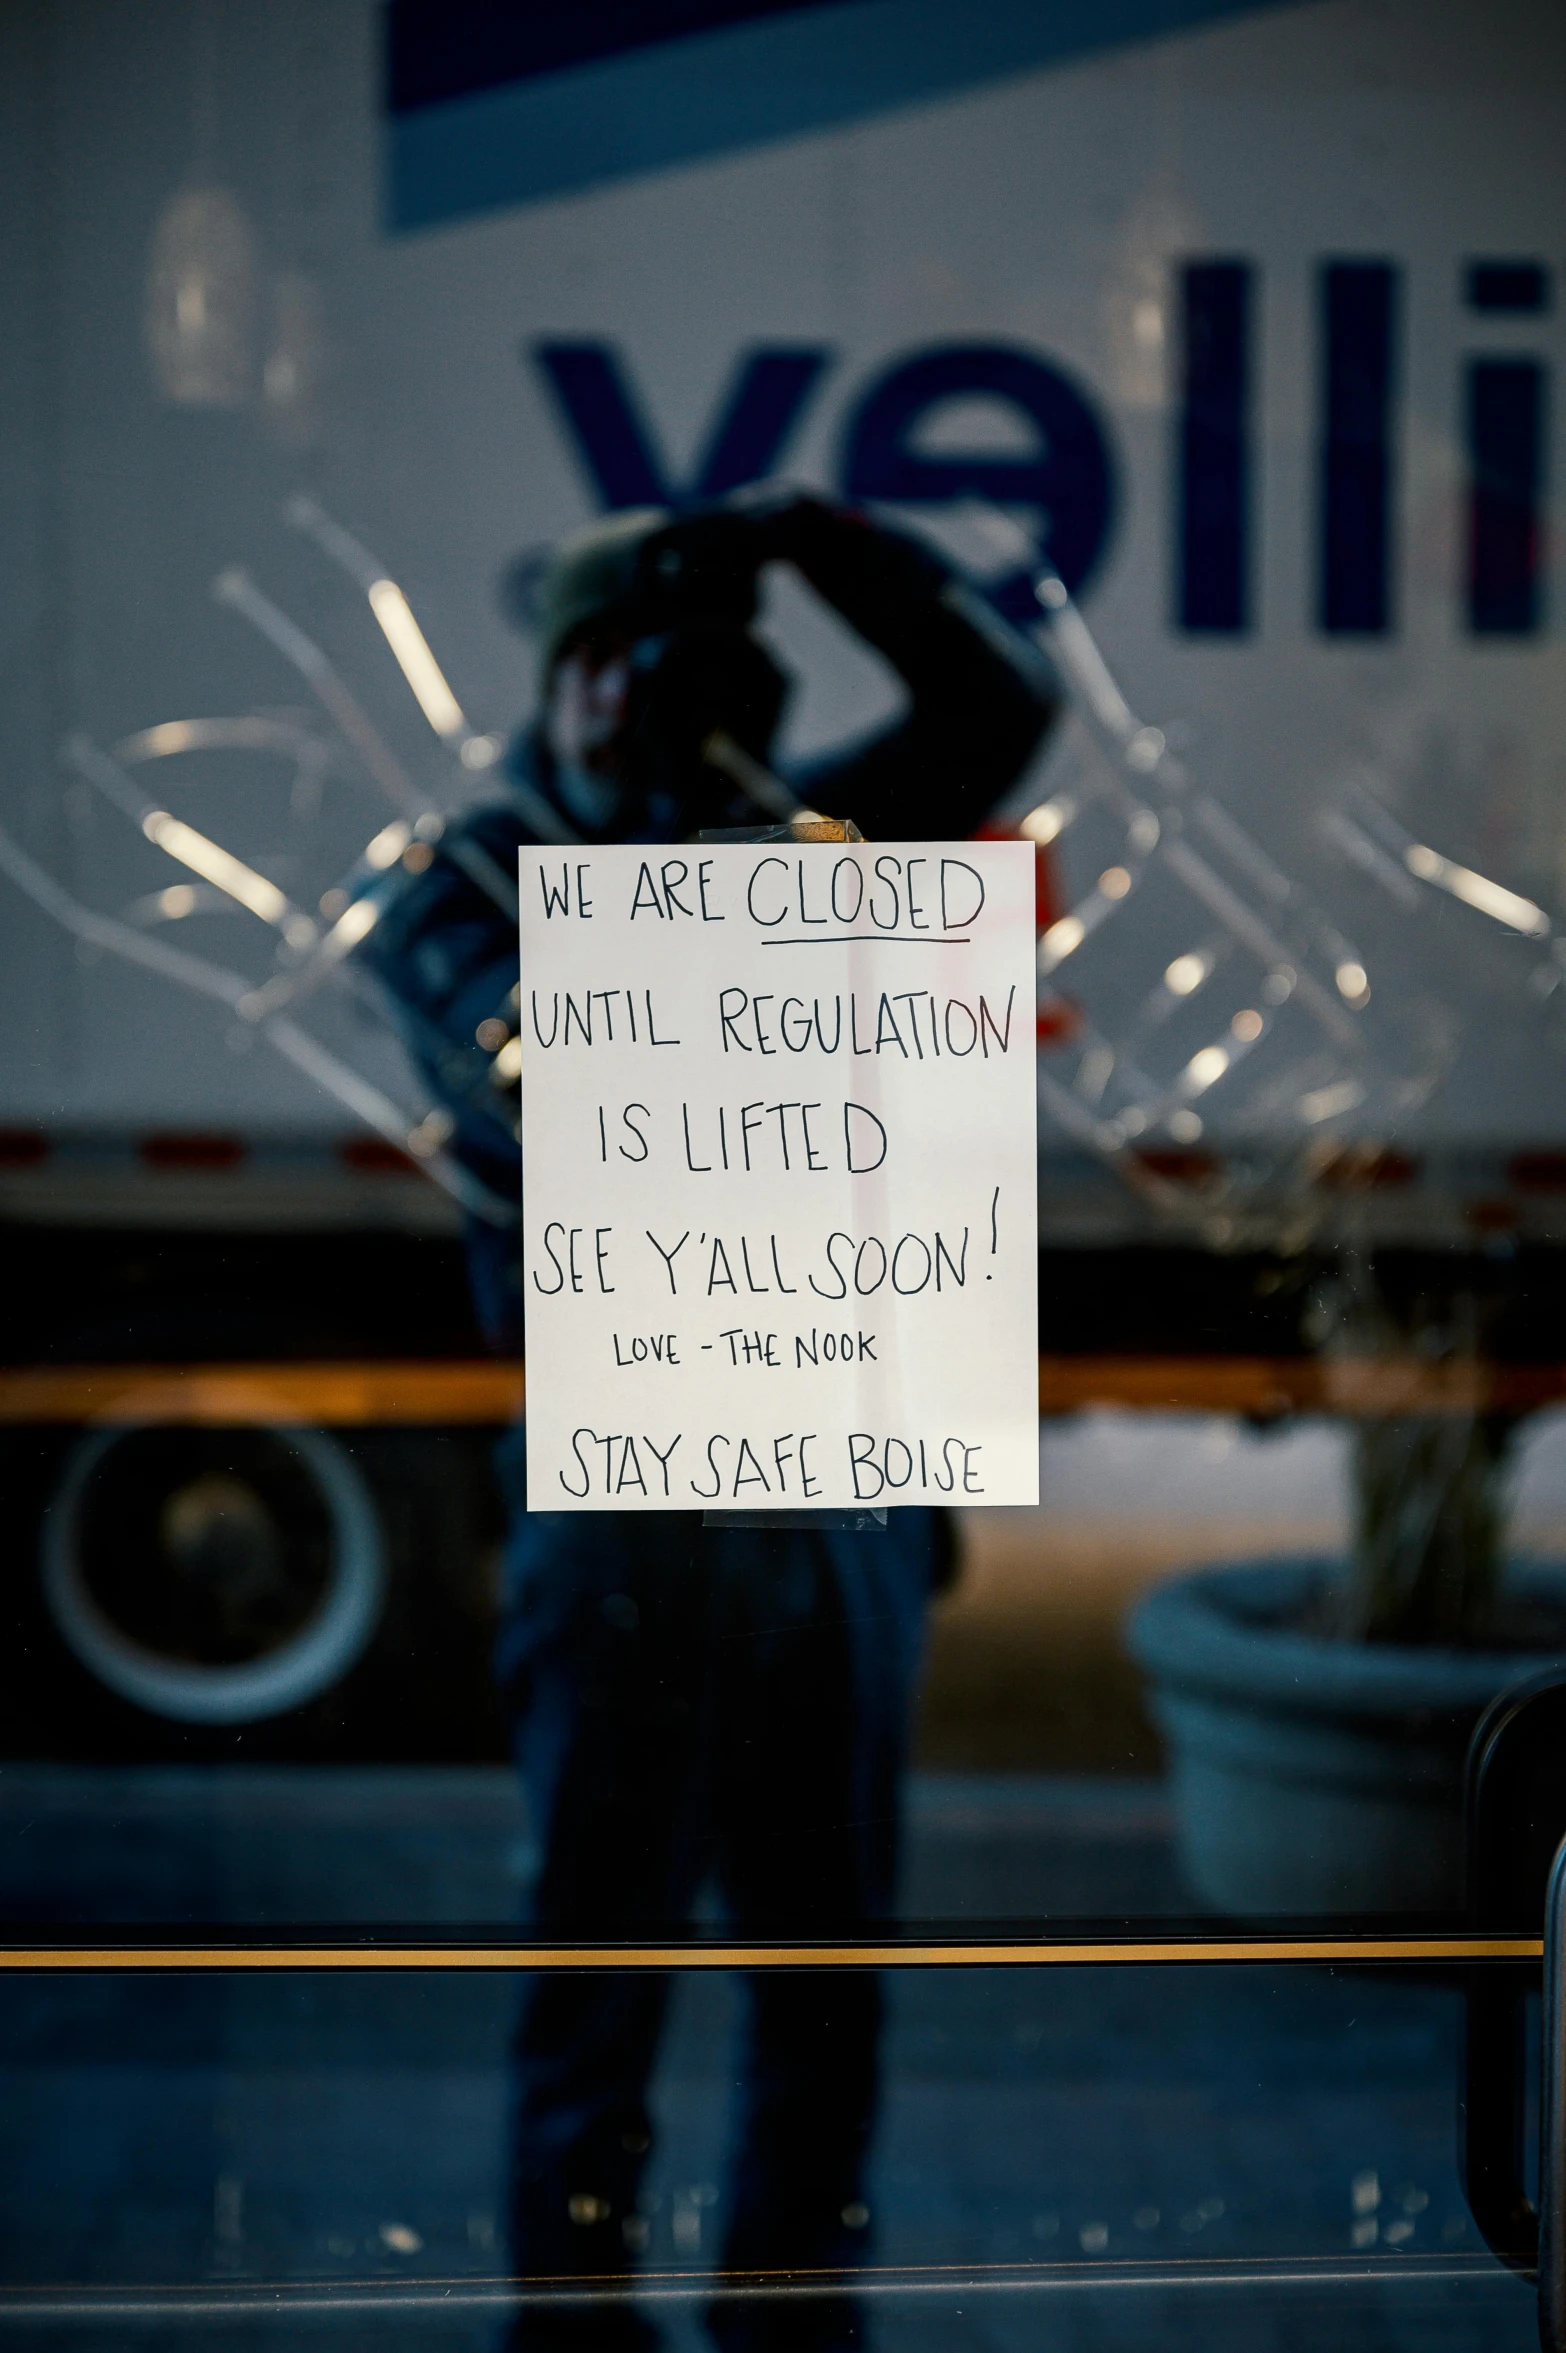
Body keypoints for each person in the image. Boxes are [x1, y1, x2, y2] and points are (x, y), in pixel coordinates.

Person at [361, 491, 1058, 2350]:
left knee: (827, 1993)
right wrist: (714, 840)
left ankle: (788, 2324)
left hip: (839, 1514)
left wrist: (831, 545)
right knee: (601, 1989)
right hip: (625, 1533)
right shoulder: (456, 885)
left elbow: (1002, 710)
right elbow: (553, 1092)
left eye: (657, 661)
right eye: (592, 658)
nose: (620, 698)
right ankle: (574, 2332)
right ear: (550, 675)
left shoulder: (795, 828)